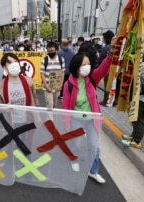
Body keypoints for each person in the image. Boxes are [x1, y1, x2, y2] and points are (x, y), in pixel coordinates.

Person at [62, 41, 114, 183]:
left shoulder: (92, 78)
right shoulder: (69, 84)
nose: (87, 67)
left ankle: (94, 171)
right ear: (77, 66)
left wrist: (110, 54)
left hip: (92, 119)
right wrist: (67, 124)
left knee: (94, 146)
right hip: (76, 119)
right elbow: (66, 105)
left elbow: (104, 68)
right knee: (76, 144)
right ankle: (74, 160)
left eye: (88, 63)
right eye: (83, 64)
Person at [121, 55, 144, 148]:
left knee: (139, 119)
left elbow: (134, 74)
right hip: (141, 97)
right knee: (136, 118)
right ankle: (133, 136)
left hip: (142, 98)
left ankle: (136, 140)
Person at [40, 41, 65, 108]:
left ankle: (53, 118)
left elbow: (62, 72)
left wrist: (61, 85)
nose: (50, 52)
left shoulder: (61, 59)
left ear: (56, 50)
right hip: (47, 87)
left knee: (55, 105)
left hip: (57, 87)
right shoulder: (44, 60)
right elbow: (42, 74)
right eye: (49, 51)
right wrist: (46, 86)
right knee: (49, 105)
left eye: (52, 51)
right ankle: (49, 118)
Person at [98, 30, 115, 106]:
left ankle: (105, 101)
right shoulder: (117, 47)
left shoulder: (105, 48)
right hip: (115, 70)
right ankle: (113, 101)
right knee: (113, 86)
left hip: (107, 70)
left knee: (107, 86)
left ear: (105, 39)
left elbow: (100, 60)